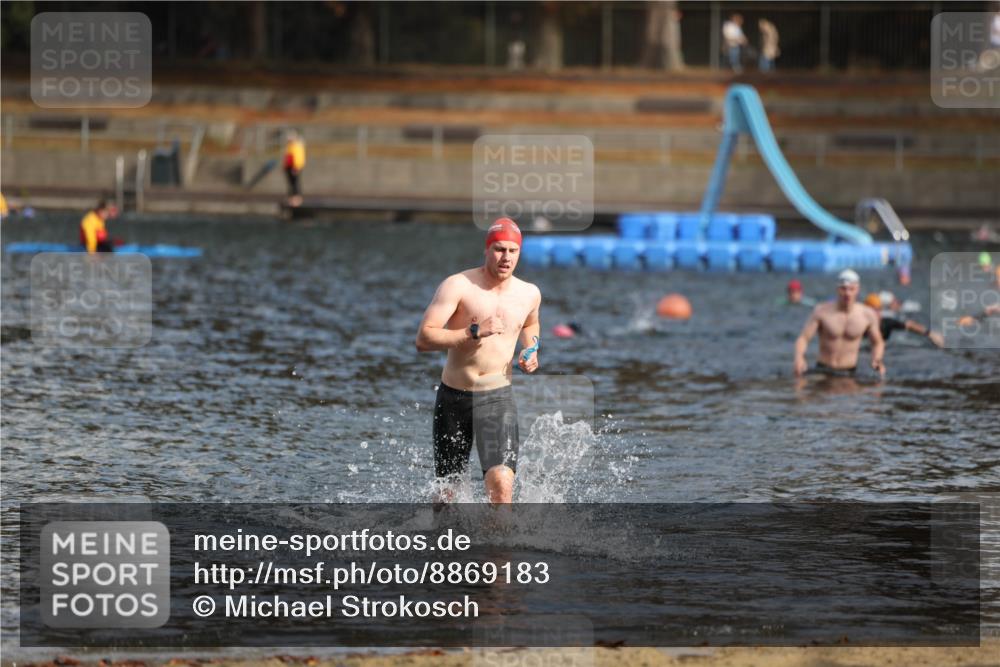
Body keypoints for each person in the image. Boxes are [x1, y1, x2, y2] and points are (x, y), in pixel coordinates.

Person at [415, 218, 541, 505]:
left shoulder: (529, 293)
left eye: (512, 251)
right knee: (446, 496)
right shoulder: (458, 285)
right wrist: (472, 332)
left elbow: (531, 324)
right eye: (499, 249)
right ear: (486, 250)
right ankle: (444, 546)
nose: (506, 257)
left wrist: (531, 349)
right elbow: (423, 339)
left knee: (501, 487)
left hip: (497, 398)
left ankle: (497, 551)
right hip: (454, 399)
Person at [794, 269, 885, 378]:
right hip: (823, 369)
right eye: (843, 289)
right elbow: (803, 338)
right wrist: (799, 358)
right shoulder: (821, 311)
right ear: (837, 289)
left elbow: (878, 342)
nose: (847, 293)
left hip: (849, 371)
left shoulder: (867, 315)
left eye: (851, 289)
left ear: (857, 290)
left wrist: (877, 359)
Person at [864, 292, 944, 348]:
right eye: (873, 310)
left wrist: (931, 334)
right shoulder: (858, 323)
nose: (876, 314)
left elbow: (909, 325)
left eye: (878, 310)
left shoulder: (886, 322)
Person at [283, 130, 306, 207]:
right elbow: (287, 157)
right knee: (291, 183)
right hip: (289, 167)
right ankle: (292, 198)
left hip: (294, 167)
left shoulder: (297, 146)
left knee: (295, 182)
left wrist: (296, 167)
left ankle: (297, 199)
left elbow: (299, 158)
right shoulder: (290, 146)